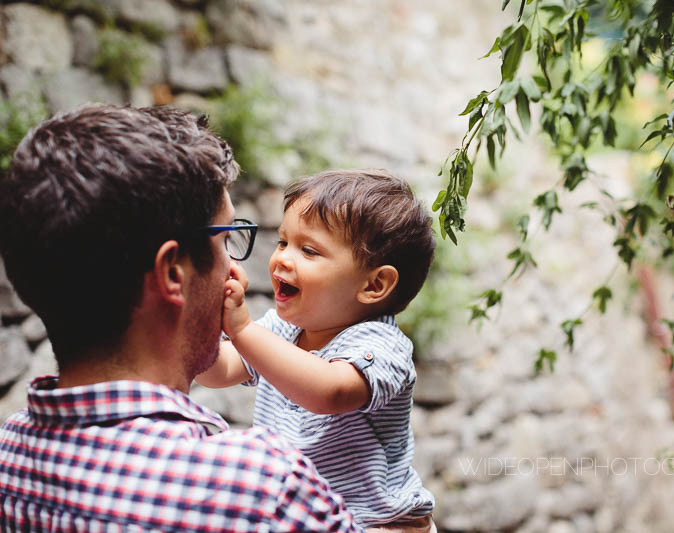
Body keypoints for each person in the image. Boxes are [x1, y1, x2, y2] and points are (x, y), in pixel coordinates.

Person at [0, 104, 361, 532]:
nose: (235, 271)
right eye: (224, 238)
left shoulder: (8, 457)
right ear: (173, 273)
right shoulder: (262, 492)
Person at [196, 170, 437, 532]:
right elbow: (216, 370)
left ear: (374, 284)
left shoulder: (382, 345)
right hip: (306, 518)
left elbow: (329, 392)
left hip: (380, 524)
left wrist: (242, 329)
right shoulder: (282, 331)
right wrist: (202, 310)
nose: (282, 260)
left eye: (308, 250)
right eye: (282, 242)